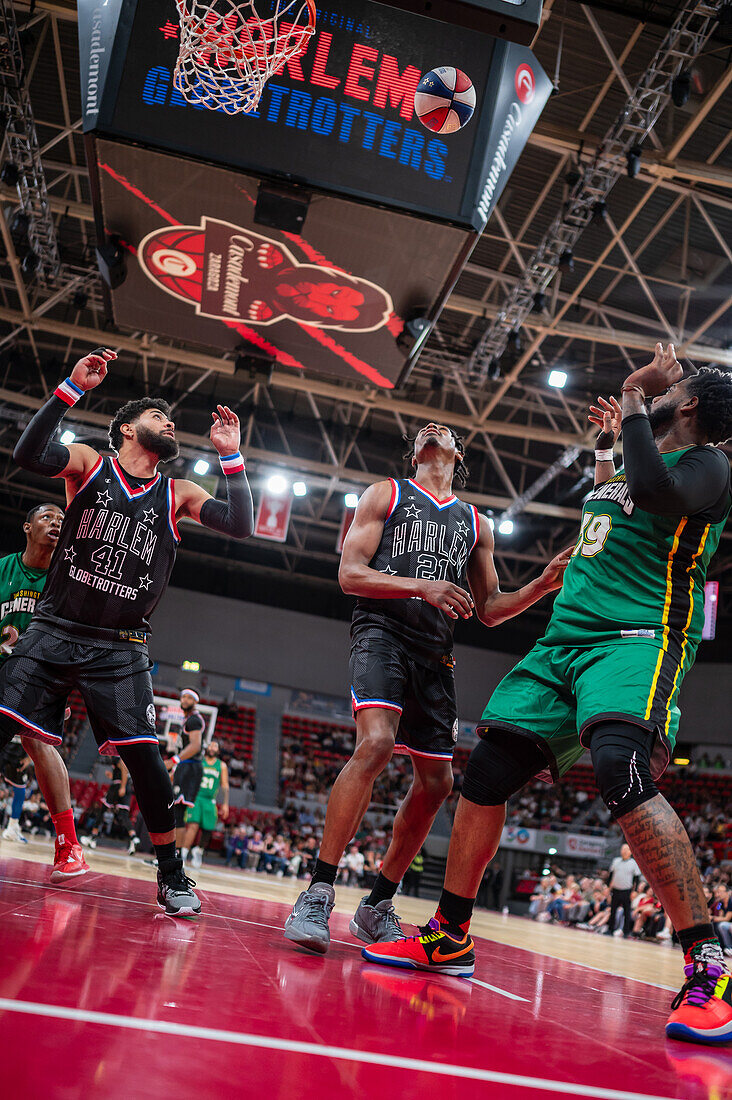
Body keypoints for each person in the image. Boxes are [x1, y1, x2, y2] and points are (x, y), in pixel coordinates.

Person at [363, 345, 732, 1047]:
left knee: (621, 775)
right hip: (564, 642)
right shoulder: (635, 459)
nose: (657, 391)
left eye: (670, 388)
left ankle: (708, 964)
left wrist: (631, 393)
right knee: (485, 776)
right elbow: (628, 490)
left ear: (686, 404)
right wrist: (615, 438)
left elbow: (658, 494)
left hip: (634, 638)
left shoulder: (711, 466)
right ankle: (450, 935)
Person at [284, 421, 572, 954]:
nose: (432, 429)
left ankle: (376, 904)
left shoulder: (475, 522)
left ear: (458, 454)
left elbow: (488, 610)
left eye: (444, 430)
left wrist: (539, 585)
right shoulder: (386, 493)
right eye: (423, 429)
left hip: (436, 653)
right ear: (415, 450)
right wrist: (421, 585)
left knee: (438, 784)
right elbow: (350, 573)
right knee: (374, 743)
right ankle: (318, 891)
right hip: (382, 633)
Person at [0, 348, 254, 916]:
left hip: (120, 648)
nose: (169, 422)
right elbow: (28, 453)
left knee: (145, 762)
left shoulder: (179, 492)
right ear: (125, 430)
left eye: (170, 418)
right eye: (157, 416)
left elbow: (241, 524)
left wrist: (232, 457)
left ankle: (172, 877)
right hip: (54, 628)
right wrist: (70, 387)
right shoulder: (90, 463)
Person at [0, 502, 90, 880]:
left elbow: (75, 633)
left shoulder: (66, 575)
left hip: (39, 673)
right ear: (27, 527)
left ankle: (69, 846)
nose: (56, 523)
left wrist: (63, 681)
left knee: (39, 743)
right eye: (47, 517)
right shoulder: (4, 568)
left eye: (61, 519)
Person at [181, 739, 229, 868]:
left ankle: (199, 850)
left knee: (209, 828)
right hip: (196, 798)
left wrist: (225, 803)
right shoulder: (199, 761)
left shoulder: (222, 765)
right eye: (211, 746)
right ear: (207, 748)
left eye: (215, 746)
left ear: (218, 750)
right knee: (192, 826)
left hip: (210, 801)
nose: (213, 748)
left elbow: (225, 785)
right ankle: (183, 855)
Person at [169, 689, 206, 855]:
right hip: (186, 767)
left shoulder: (194, 720)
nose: (185, 699)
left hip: (190, 766)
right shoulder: (188, 720)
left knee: (178, 811)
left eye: (189, 697)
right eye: (183, 696)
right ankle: (174, 855)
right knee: (177, 811)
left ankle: (175, 855)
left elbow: (195, 746)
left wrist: (174, 761)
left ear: (195, 701)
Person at [608, 843, 641, 937]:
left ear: (630, 852)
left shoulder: (633, 863)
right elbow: (611, 875)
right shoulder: (616, 861)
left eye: (626, 850)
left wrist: (635, 891)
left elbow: (637, 878)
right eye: (623, 849)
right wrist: (608, 887)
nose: (624, 851)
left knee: (627, 912)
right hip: (615, 889)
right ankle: (610, 929)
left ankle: (626, 932)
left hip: (627, 890)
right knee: (613, 910)